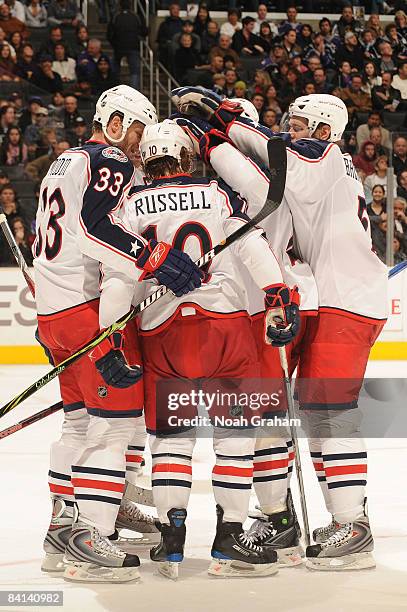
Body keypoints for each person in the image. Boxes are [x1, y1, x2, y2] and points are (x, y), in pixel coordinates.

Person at [173, 89, 388, 570]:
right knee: (310, 416)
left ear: (324, 129)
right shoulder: (315, 165)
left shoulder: (324, 157)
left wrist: (217, 132)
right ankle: (315, 520)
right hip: (330, 297)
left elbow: (261, 169)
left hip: (342, 300)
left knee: (330, 414)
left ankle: (353, 525)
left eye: (297, 126)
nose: (288, 134)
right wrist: (217, 139)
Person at [35, 86, 203, 583]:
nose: (136, 143)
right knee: (115, 426)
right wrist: (153, 257)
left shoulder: (63, 161)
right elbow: (92, 228)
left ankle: (64, 527)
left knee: (79, 427)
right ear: (112, 122)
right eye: (133, 130)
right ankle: (90, 535)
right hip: (88, 313)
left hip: (54, 313)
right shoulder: (107, 157)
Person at [122, 118, 299, 579]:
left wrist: (115, 335)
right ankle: (230, 537)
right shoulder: (217, 194)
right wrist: (278, 295)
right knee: (234, 437)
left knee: (173, 441)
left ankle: (172, 539)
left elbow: (118, 274)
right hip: (224, 327)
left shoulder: (132, 204)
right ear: (186, 156)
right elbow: (251, 248)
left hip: (162, 333)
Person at [107, 0, 147, 90]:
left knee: (115, 71)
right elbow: (144, 31)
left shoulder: (116, 16)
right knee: (134, 72)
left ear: (120, 5)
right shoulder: (136, 16)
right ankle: (133, 93)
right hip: (133, 47)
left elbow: (109, 34)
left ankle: (115, 89)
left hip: (118, 47)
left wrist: (114, 44)